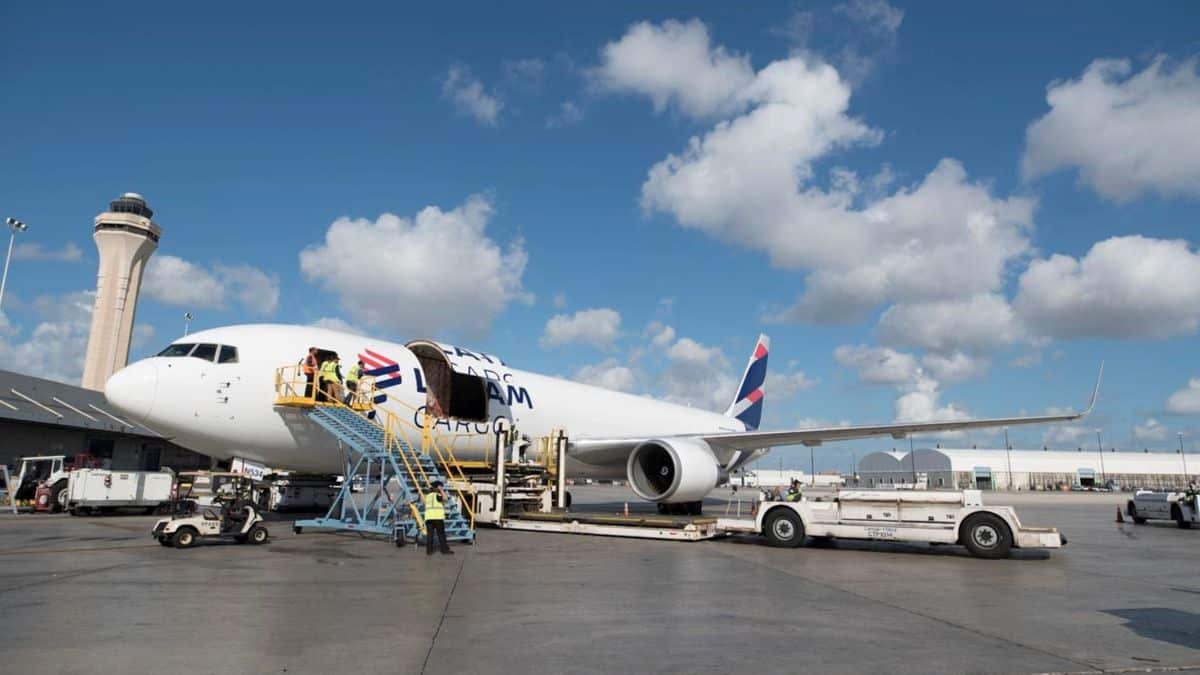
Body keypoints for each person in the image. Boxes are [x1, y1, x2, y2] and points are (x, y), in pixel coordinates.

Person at [422, 481, 454, 555]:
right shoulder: (438, 494)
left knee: (430, 535)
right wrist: (441, 490)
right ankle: (444, 550)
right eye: (441, 486)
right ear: (438, 487)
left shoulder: (428, 496)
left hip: (429, 518)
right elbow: (445, 499)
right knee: (441, 534)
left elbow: (423, 502)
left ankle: (429, 551)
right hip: (437, 518)